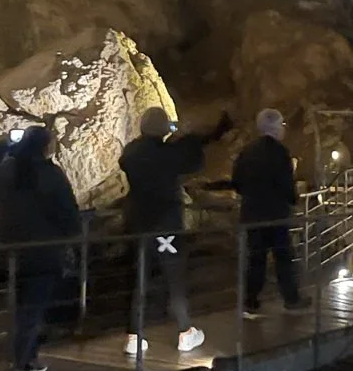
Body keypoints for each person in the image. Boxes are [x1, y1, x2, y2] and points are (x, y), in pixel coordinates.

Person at [120, 105, 231, 355]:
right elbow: (193, 160)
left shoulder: (132, 152)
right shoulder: (168, 154)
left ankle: (133, 335)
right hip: (165, 225)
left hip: (137, 224)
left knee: (139, 278)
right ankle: (185, 332)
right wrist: (192, 135)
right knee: (174, 277)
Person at [0, 125, 80, 371]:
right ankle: (19, 365)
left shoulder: (5, 171)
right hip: (44, 250)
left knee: (22, 305)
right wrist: (72, 238)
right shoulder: (50, 174)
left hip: (10, 250)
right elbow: (69, 213)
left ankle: (28, 358)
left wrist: (1, 146)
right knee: (33, 308)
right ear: (46, 147)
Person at [231, 109, 310, 318]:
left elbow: (237, 182)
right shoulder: (280, 152)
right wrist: (294, 199)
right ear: (276, 128)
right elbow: (286, 185)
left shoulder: (247, 151)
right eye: (282, 125)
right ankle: (291, 299)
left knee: (256, 258)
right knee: (283, 256)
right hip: (276, 214)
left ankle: (250, 302)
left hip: (252, 213)